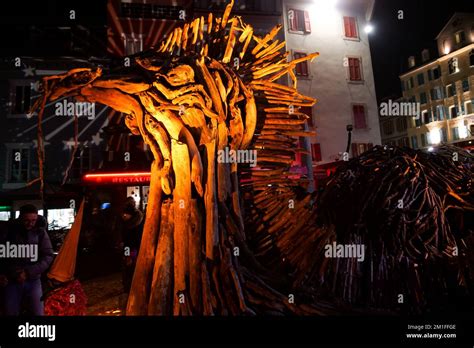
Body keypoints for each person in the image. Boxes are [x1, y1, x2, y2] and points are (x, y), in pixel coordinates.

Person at [0, 204, 53, 315]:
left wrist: (28, 272)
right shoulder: (8, 231)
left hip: (33, 280)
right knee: (10, 312)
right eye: (26, 220)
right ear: (20, 218)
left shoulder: (40, 232)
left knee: (38, 312)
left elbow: (48, 256)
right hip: (11, 280)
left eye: (33, 220)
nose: (30, 224)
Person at [120, 197, 144, 293]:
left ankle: (131, 288)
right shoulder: (127, 223)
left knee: (130, 269)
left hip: (133, 250)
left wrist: (128, 255)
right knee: (128, 270)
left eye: (126, 214)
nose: (124, 215)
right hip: (131, 250)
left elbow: (130, 240)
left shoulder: (133, 225)